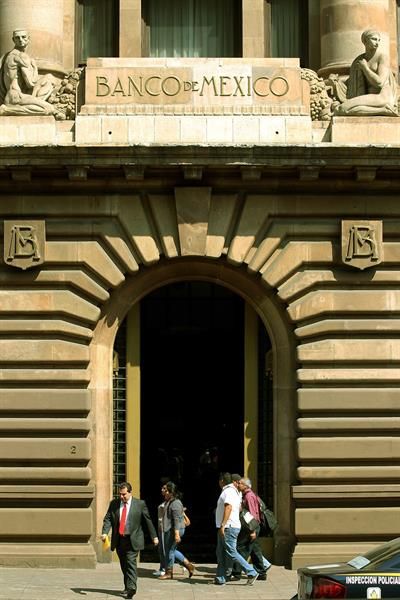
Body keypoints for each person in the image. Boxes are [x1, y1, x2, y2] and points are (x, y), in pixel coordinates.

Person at [101, 481, 159, 598]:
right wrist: (104, 533)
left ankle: (132, 589)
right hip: (120, 540)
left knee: (131, 563)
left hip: (133, 539)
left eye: (124, 494)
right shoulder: (114, 504)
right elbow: (108, 519)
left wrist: (154, 536)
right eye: (120, 495)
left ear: (130, 493)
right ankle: (127, 587)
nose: (122, 497)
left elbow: (147, 520)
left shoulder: (140, 504)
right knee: (124, 565)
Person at [334, 29, 398, 116]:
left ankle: (386, 108)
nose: (377, 43)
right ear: (365, 41)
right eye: (374, 39)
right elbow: (353, 83)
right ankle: (384, 110)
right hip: (370, 97)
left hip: (383, 96)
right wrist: (336, 82)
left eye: (378, 40)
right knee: (342, 109)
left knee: (341, 109)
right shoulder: (359, 60)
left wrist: (365, 68)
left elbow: (379, 83)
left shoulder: (382, 57)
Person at [214, 472, 259, 586]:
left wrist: (223, 524)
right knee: (221, 552)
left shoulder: (228, 491)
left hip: (228, 527)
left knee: (231, 552)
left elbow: (228, 507)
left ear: (222, 481)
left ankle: (251, 572)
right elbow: (238, 508)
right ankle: (221, 577)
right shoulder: (236, 492)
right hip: (230, 526)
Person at [0, 29, 58, 116]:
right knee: (49, 109)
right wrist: (34, 67)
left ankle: (15, 107)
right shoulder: (21, 56)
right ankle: (7, 110)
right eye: (17, 38)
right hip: (16, 97)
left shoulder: (6, 56)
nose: (20, 40)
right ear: (13, 40)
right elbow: (31, 83)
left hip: (10, 95)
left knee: (49, 77)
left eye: (23, 37)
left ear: (28, 38)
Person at [231, 477, 272, 581]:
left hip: (251, 527)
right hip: (252, 527)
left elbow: (253, 515)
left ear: (246, 486)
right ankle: (261, 572)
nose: (238, 484)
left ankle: (236, 573)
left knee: (241, 548)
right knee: (255, 550)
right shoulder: (247, 495)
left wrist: (252, 531)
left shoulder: (249, 496)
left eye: (240, 483)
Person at [158, 481, 195, 579]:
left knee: (170, 551)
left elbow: (177, 520)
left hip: (174, 530)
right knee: (172, 550)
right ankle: (189, 566)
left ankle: (169, 572)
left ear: (171, 492)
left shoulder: (175, 503)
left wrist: (176, 534)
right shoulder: (169, 501)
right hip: (170, 529)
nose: (164, 492)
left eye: (166, 490)